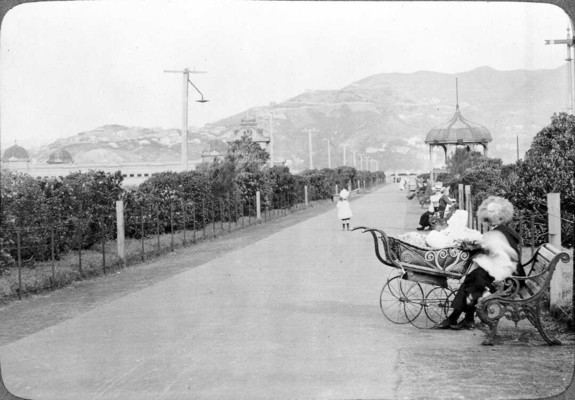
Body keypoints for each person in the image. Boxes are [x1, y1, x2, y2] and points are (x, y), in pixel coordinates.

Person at [434, 196, 524, 330]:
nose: (490, 221)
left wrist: (476, 245)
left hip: (509, 278)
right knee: (473, 277)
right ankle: (464, 319)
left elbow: (497, 251)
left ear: (501, 217)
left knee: (475, 280)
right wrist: (476, 245)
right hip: (505, 271)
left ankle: (458, 318)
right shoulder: (502, 230)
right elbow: (491, 247)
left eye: (493, 217)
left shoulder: (502, 232)